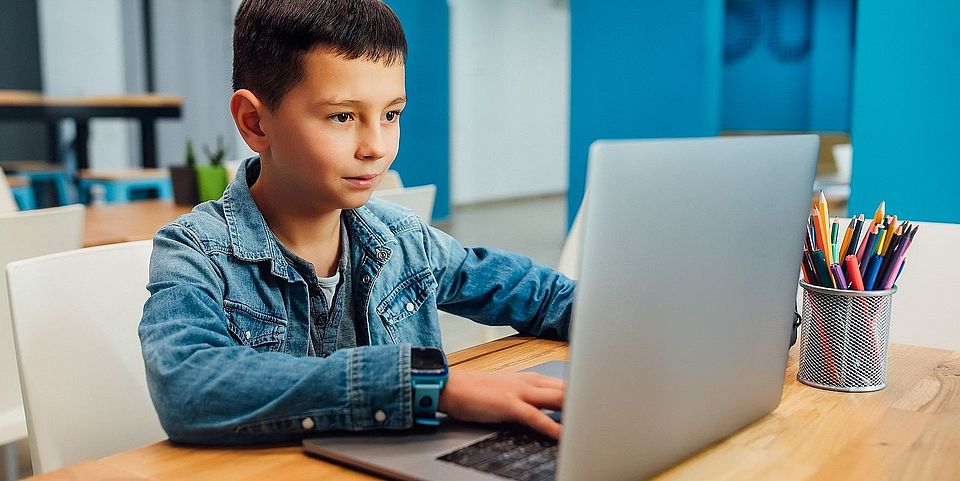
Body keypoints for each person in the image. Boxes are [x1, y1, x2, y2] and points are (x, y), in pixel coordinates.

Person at [139, 0, 575, 446]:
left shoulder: (402, 238)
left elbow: (542, 296)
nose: (376, 146)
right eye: (342, 116)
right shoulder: (195, 252)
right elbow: (187, 386)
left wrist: (626, 324)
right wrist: (427, 387)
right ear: (255, 122)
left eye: (391, 114)